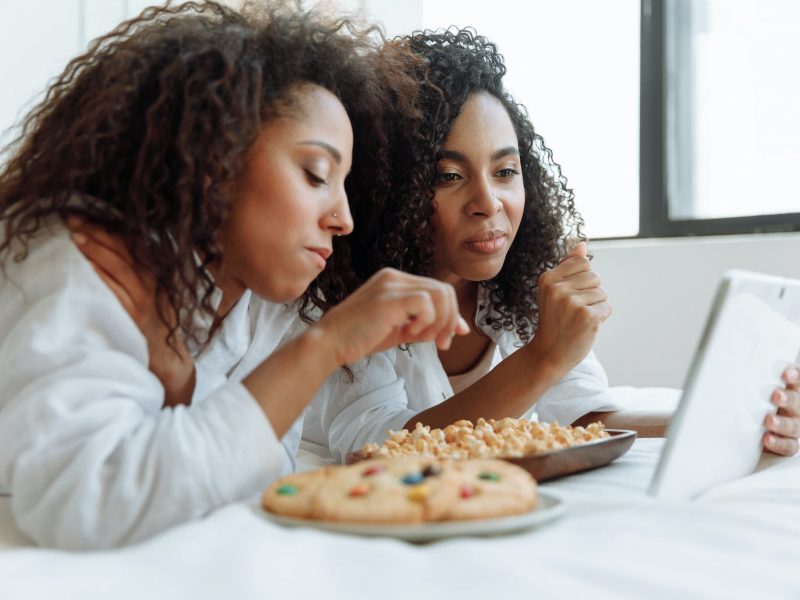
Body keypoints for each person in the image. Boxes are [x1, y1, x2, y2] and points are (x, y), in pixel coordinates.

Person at [0, 2, 467, 550]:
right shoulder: (86, 257)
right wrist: (323, 347)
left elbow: (261, 476)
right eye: (316, 173)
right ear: (211, 160)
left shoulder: (265, 300)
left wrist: (181, 385)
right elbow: (84, 501)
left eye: (344, 183)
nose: (343, 219)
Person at [300, 27, 800, 461]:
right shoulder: (343, 297)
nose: (487, 202)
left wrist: (727, 411)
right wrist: (544, 356)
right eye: (449, 175)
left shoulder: (520, 285)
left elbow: (586, 415)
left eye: (505, 171)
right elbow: (377, 449)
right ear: (393, 189)